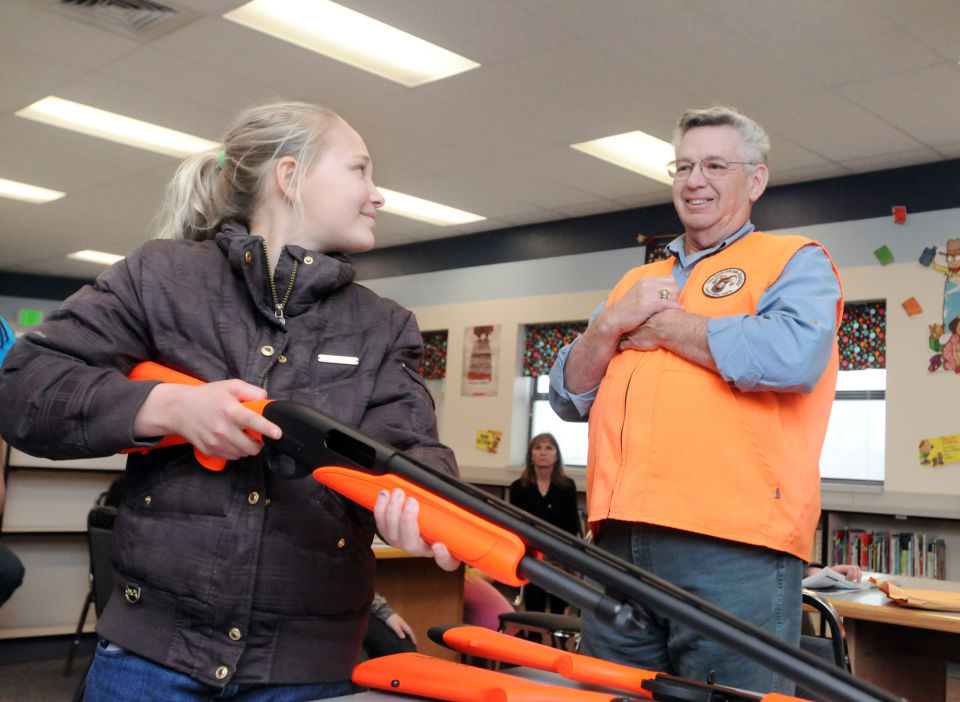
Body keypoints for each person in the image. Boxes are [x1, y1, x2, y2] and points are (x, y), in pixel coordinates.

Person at [0, 101, 458, 701]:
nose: (378, 195)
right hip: (150, 659)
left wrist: (424, 513)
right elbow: (26, 384)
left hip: (306, 670)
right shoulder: (159, 277)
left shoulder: (383, 325)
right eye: (360, 170)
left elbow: (415, 451)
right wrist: (167, 407)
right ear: (289, 177)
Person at [549, 106, 843, 694]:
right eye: (683, 166)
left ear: (755, 181)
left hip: (733, 547)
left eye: (714, 165)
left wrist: (667, 329)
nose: (694, 180)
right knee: (613, 690)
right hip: (619, 543)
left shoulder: (793, 259)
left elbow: (792, 356)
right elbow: (566, 393)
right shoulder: (635, 283)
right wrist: (609, 328)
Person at [508, 433, 580, 614]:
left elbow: (571, 526)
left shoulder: (567, 486)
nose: (543, 452)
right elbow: (514, 525)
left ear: (556, 456)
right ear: (530, 455)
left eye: (548, 448)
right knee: (535, 570)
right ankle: (535, 630)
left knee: (559, 574)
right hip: (530, 550)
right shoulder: (519, 486)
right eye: (537, 448)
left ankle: (557, 624)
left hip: (559, 549)